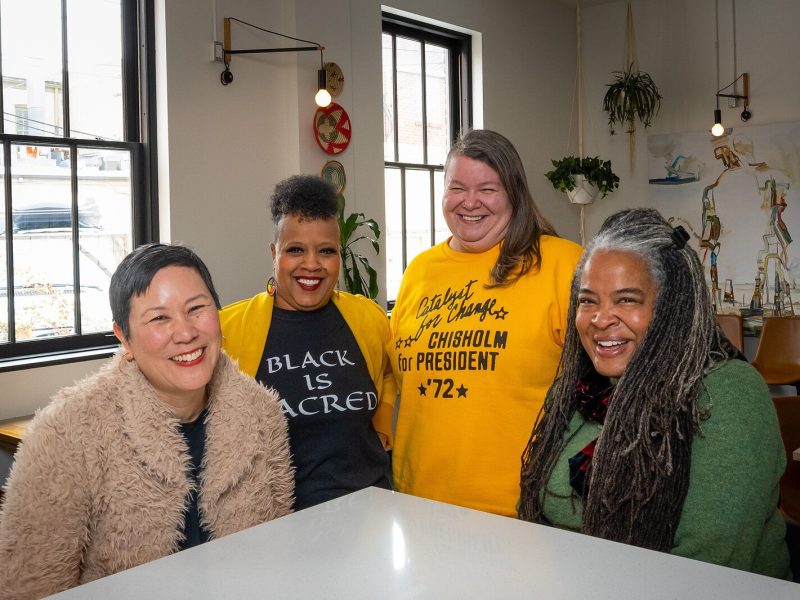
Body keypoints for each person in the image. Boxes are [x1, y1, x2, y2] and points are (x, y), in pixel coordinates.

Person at [0, 244, 294, 599]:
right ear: (124, 337)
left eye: (197, 309)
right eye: (159, 318)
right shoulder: (65, 433)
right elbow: (29, 586)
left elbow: (278, 556)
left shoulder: (263, 414)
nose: (185, 333)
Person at [518, 207, 790, 578]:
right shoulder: (577, 390)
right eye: (587, 300)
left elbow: (706, 570)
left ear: (669, 307)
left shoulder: (727, 395)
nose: (600, 319)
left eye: (626, 299)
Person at [388, 129, 583, 517]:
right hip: (418, 500)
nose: (470, 202)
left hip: (520, 508)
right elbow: (398, 378)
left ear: (514, 193)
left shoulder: (563, 264)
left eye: (488, 189)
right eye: (457, 187)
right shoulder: (420, 271)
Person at [220, 175, 395, 511]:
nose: (312, 264)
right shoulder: (230, 329)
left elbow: (388, 372)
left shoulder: (367, 319)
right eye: (296, 249)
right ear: (274, 253)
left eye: (326, 251)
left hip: (373, 514)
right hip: (281, 528)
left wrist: (384, 424)